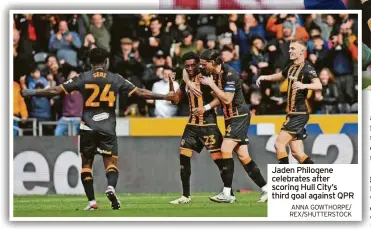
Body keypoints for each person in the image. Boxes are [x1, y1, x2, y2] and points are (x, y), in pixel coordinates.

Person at [22, 47, 176, 210]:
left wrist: (32, 92)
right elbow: (139, 92)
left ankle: (92, 202)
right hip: (107, 127)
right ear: (106, 62)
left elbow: (55, 91)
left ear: (90, 62)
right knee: (110, 163)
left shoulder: (83, 77)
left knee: (86, 164)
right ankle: (110, 187)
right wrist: (165, 96)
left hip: (88, 126)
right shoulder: (115, 78)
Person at [183, 49, 268, 203]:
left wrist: (211, 84)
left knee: (225, 149)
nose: (201, 67)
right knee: (243, 156)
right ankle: (267, 189)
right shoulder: (213, 71)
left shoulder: (230, 75)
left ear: (214, 62)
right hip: (229, 118)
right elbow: (184, 70)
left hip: (239, 116)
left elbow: (227, 99)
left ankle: (227, 193)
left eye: (204, 64)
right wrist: (191, 85)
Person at [168, 52, 233, 204]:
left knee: (219, 161)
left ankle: (229, 192)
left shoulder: (206, 78)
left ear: (199, 63)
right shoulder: (186, 80)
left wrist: (206, 107)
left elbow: (220, 97)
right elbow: (175, 100)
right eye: (187, 66)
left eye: (193, 65)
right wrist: (171, 83)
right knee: (184, 158)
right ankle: (185, 196)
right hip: (191, 125)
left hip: (209, 124)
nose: (190, 68)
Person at [256, 39, 322, 164]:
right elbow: (281, 75)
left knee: (279, 144)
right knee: (297, 152)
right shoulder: (291, 66)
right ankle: (315, 175)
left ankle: (285, 177)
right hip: (292, 114)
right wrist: (265, 77)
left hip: (299, 114)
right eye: (290, 48)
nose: (289, 51)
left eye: (293, 48)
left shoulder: (307, 67)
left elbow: (319, 85)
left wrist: (304, 86)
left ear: (302, 51)